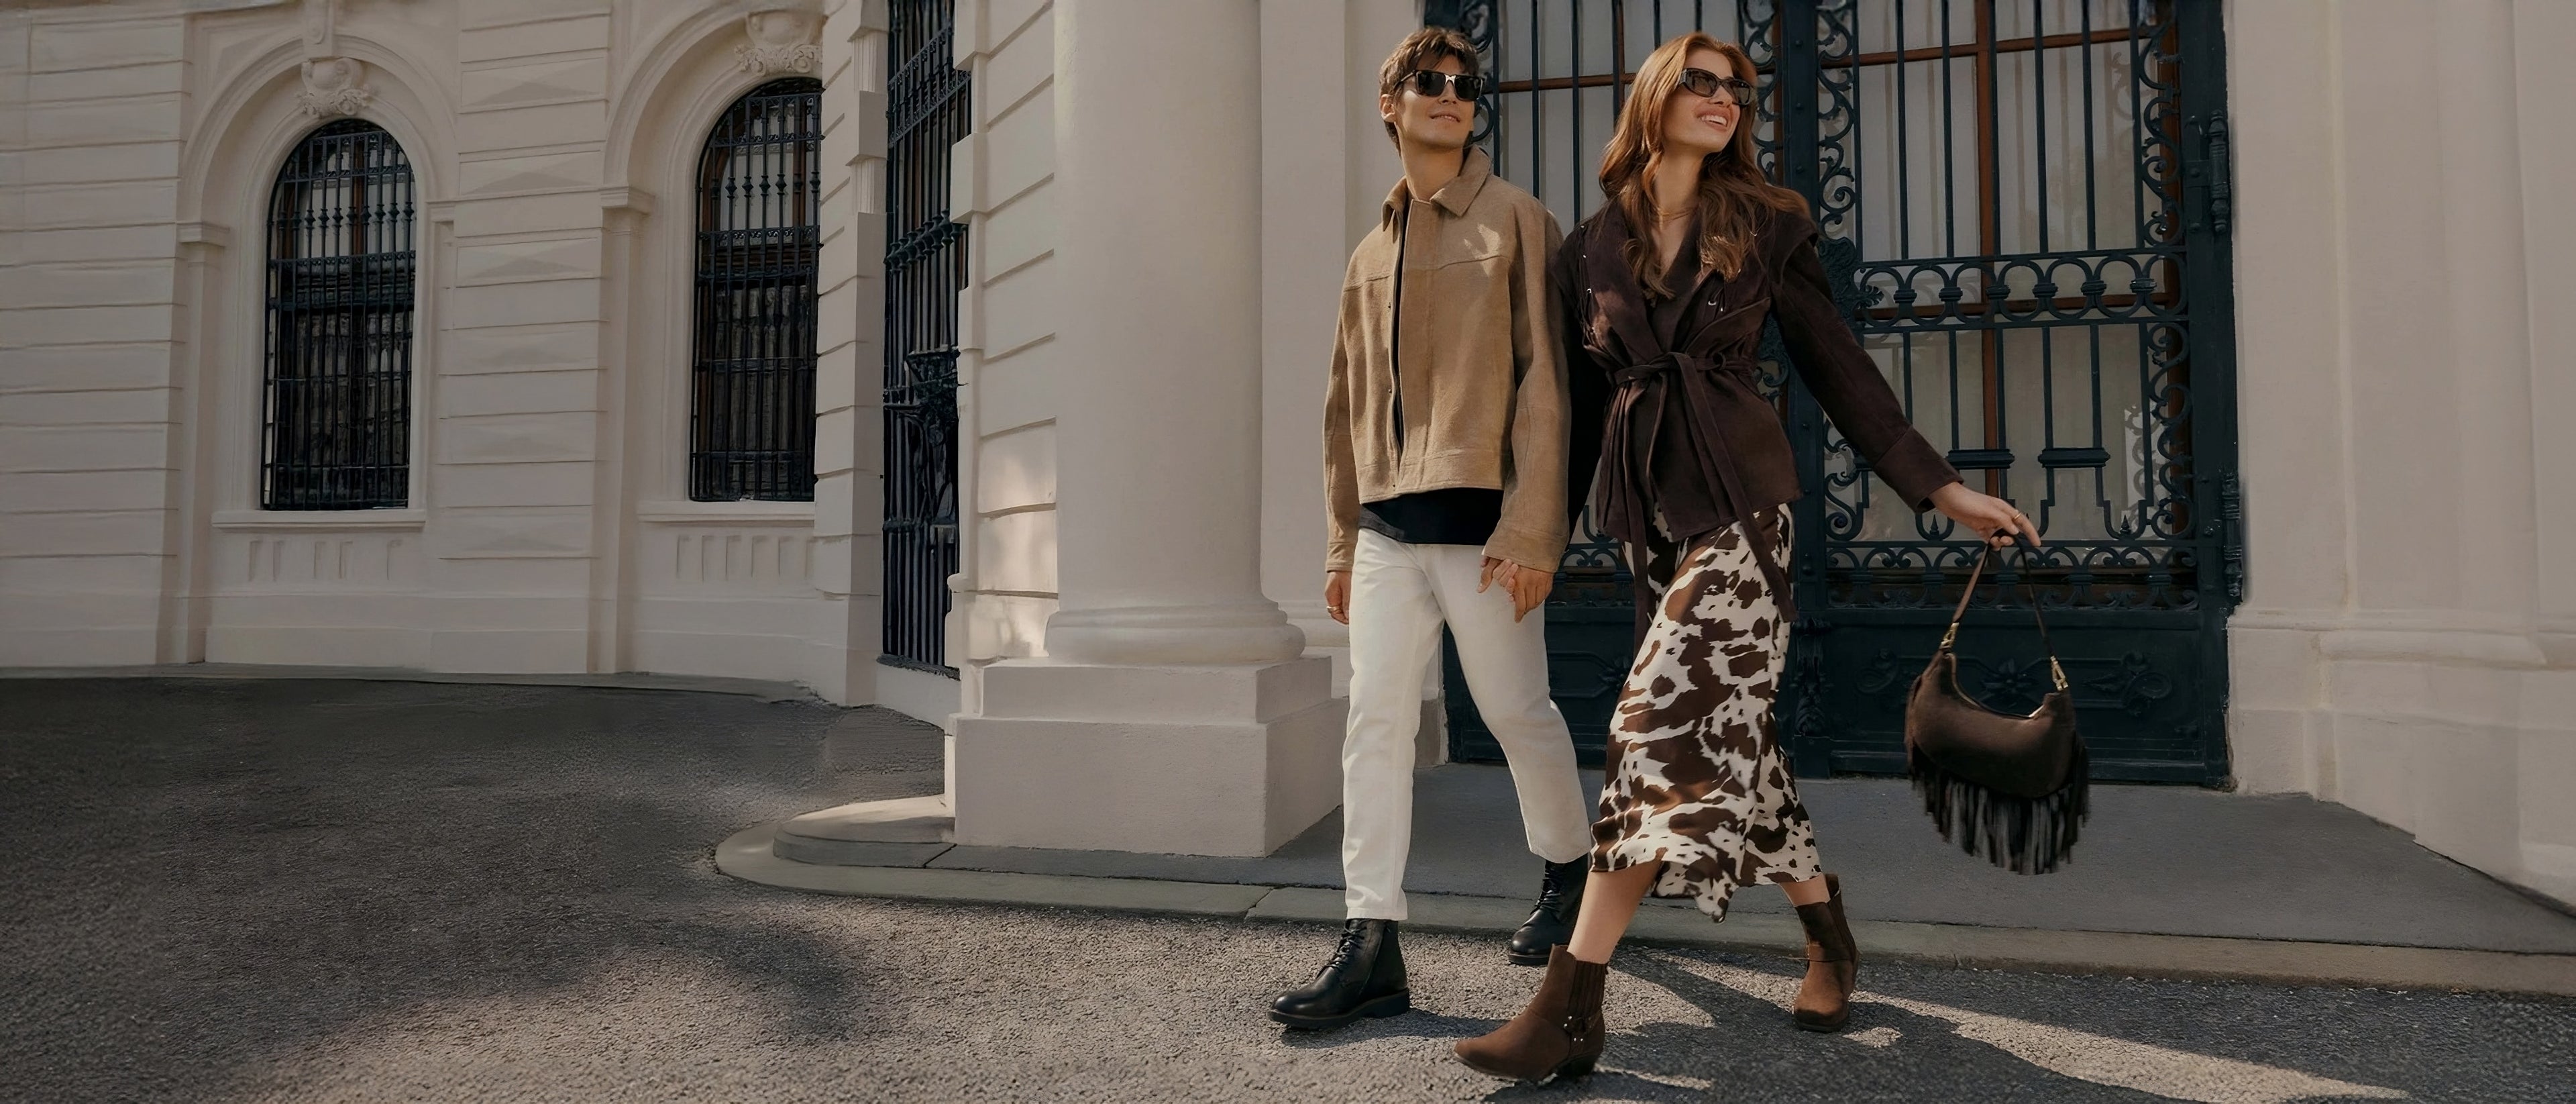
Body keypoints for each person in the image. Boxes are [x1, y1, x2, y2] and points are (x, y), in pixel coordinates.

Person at [1451, 31, 2040, 1082]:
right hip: (1652, 525)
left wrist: (1940, 487)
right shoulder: (1588, 247)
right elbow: (1574, 413)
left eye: (1738, 91)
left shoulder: (1767, 223)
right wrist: (1532, 531)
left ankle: (1569, 1006)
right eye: (1704, 84)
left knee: (1647, 726)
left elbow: (1837, 363)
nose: (1725, 101)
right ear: (1656, 98)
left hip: (1745, 513)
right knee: (1737, 745)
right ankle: (1830, 937)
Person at [1270, 27, 1595, 1032]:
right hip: (1384, 533)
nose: (1451, 95)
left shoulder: (1519, 222)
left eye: (1464, 85)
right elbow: (1341, 407)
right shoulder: (1369, 252)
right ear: (1393, 104)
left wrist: (1536, 531)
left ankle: (1571, 874)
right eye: (1430, 83)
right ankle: (1373, 941)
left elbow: (1551, 383)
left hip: (1485, 525)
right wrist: (1338, 539)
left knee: (1516, 712)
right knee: (1374, 721)